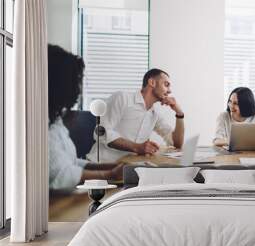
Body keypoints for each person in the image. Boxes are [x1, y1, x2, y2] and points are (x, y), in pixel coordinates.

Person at [48, 44, 124, 190]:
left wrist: (110, 167)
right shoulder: (39, 123)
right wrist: (109, 174)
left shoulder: (55, 120)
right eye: (76, 80)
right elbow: (60, 173)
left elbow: (68, 162)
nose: (79, 88)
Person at [87, 68, 185, 162]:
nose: (169, 91)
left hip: (127, 168)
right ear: (152, 82)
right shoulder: (122, 98)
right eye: (166, 84)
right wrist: (137, 147)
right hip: (102, 167)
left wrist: (179, 113)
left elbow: (176, 143)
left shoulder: (155, 114)